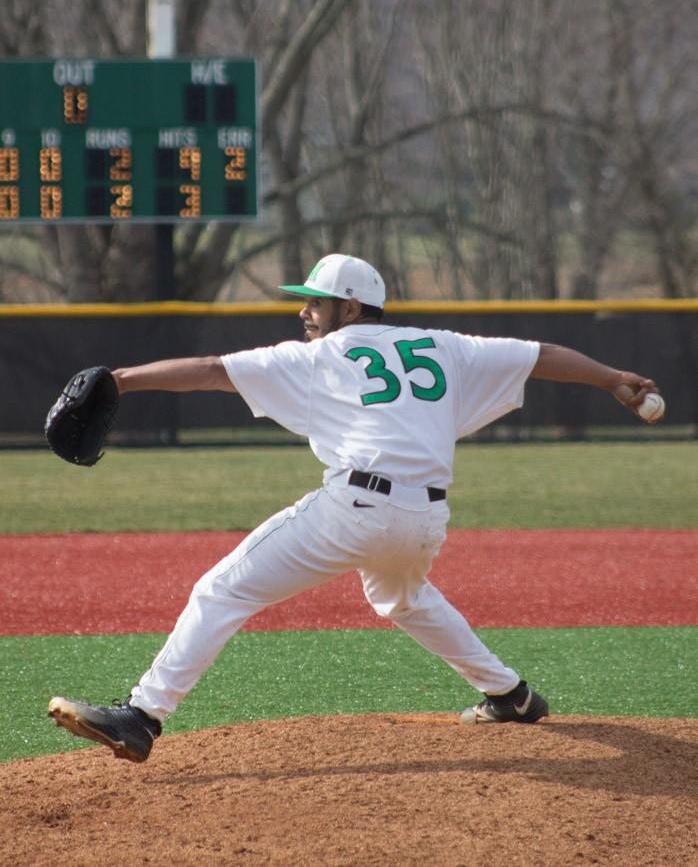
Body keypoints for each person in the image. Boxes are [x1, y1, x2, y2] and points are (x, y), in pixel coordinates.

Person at [48, 253, 663, 763]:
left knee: (222, 590)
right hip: (426, 520)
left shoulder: (320, 356)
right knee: (403, 598)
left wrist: (122, 379)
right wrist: (612, 377)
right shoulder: (444, 346)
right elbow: (541, 354)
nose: (304, 312)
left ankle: (142, 716)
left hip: (356, 508)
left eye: (315, 302)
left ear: (349, 308)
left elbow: (210, 371)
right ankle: (510, 694)